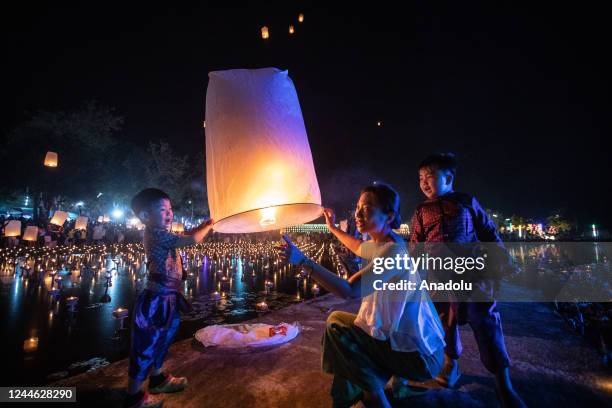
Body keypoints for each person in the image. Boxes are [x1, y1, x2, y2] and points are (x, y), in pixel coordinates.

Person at [277, 182, 445, 408]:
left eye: (366, 208)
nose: (357, 214)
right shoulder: (387, 242)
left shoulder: (392, 252)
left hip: (419, 358)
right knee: (351, 335)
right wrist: (332, 227)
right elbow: (357, 246)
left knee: (337, 325)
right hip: (416, 349)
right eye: (357, 207)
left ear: (389, 214)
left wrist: (304, 261)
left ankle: (374, 397)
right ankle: (358, 394)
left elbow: (349, 291)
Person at [409, 153, 526, 408]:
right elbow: (415, 245)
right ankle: (451, 365)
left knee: (485, 322)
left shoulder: (467, 202)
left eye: (429, 177)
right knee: (445, 325)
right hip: (439, 277)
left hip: (473, 274)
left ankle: (503, 383)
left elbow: (488, 232)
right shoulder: (421, 210)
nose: (424, 183)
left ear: (449, 177)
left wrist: (502, 258)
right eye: (420, 179)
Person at [124, 188, 214, 408]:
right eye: (163, 210)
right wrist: (208, 226)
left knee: (163, 341)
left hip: (169, 298)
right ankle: (133, 397)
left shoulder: (163, 232)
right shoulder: (154, 232)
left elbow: (185, 236)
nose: (169, 214)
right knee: (146, 345)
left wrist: (202, 226)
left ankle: (157, 379)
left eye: (170, 209)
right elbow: (191, 240)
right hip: (155, 301)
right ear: (145, 217)